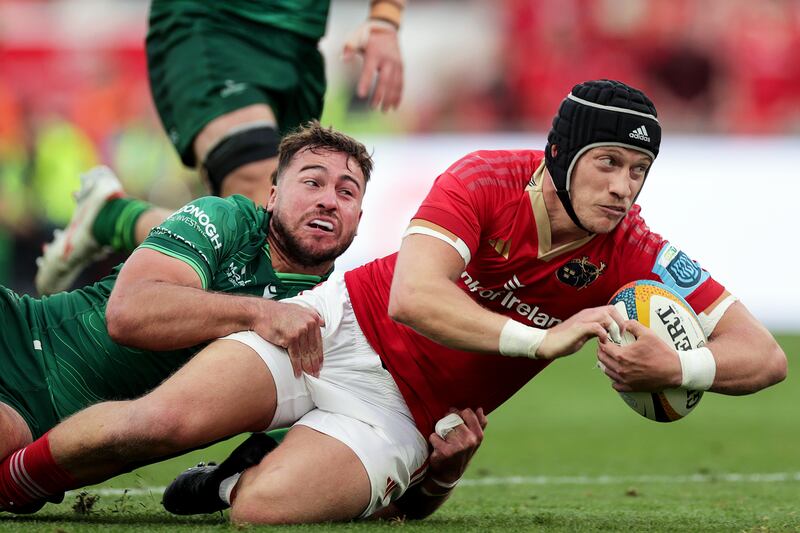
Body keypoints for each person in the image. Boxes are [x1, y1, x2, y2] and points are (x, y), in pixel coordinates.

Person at [0, 80, 786, 523]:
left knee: (261, 515)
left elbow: (767, 356)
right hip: (337, 326)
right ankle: (15, 486)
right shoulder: (481, 178)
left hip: (405, 416)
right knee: (155, 422)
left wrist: (679, 361)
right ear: (562, 154)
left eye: (638, 172)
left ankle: (236, 476)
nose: (623, 187)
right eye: (608, 162)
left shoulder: (637, 248)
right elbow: (412, 297)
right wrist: (537, 341)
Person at [0, 122, 372, 504]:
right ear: (273, 196)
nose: (328, 200)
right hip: (18, 334)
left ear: (358, 222)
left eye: (346, 192)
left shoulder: (329, 312)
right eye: (312, 183)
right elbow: (129, 313)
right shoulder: (228, 219)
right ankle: (110, 215)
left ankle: (110, 214)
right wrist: (258, 312)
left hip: (37, 423)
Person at [34, 0, 406, 295]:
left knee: (278, 254)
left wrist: (385, 19)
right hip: (211, 22)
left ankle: (112, 216)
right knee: (268, 201)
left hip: (297, 42)